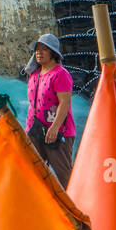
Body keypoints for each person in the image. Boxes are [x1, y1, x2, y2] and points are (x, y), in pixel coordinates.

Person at [24, 33, 75, 186]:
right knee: (33, 173)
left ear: (53, 53)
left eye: (44, 49)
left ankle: (75, 207)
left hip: (58, 131)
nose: (39, 52)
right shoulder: (34, 74)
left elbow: (64, 103)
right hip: (35, 130)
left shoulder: (60, 74)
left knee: (64, 175)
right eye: (37, 49)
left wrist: (54, 127)